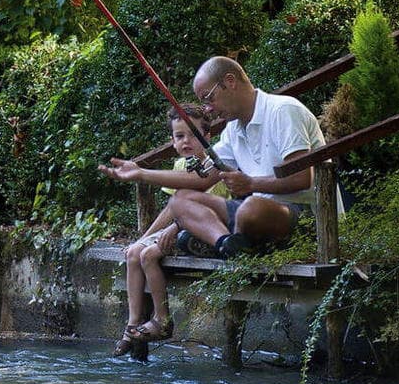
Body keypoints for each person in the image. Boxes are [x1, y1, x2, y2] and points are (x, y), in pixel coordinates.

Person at [101, 56, 326, 260]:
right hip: (251, 217)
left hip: (303, 215)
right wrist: (141, 173)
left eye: (208, 98)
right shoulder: (233, 130)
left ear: (230, 81)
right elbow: (202, 179)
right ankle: (228, 244)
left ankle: (235, 242)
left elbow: (302, 179)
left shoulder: (283, 110)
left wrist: (251, 184)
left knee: (251, 207)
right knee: (180, 200)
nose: (208, 109)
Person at [114, 104, 224, 355]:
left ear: (207, 136)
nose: (186, 141)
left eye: (193, 135)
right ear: (172, 141)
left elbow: (210, 210)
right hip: (180, 227)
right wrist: (143, 237)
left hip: (205, 231)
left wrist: (173, 228)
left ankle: (162, 319)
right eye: (179, 136)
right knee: (134, 252)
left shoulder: (214, 165)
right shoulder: (180, 166)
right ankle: (132, 324)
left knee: (148, 255)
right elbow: (171, 209)